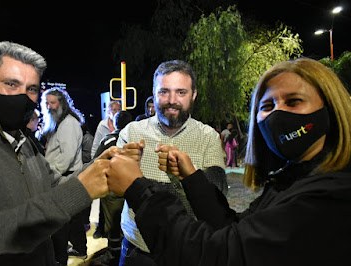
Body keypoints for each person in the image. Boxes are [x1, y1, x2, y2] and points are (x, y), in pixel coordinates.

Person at [106, 58, 351, 266]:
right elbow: (230, 225)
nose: (278, 114)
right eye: (267, 105)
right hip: (138, 248)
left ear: (193, 95)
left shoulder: (331, 195)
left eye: (294, 101)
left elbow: (220, 250)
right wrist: (191, 177)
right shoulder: (289, 180)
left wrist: (139, 187)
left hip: (183, 243)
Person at [0, 41, 110, 266]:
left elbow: (57, 185)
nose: (23, 98)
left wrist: (100, 166)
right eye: (11, 84)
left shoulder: (24, 142)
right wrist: (78, 191)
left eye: (31, 89)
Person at [116, 60, 227, 265]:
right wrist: (123, 169)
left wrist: (188, 175)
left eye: (181, 92)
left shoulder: (208, 136)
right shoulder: (132, 132)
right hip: (138, 250)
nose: (172, 100)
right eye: (164, 92)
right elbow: (111, 192)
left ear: (193, 94)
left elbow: (218, 195)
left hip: (187, 250)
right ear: (154, 92)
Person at [40, 87, 88, 263]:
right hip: (63, 177)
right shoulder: (59, 122)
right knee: (72, 218)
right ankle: (78, 248)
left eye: (53, 102)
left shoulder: (68, 123)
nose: (50, 106)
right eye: (46, 103)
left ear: (62, 103)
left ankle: (63, 255)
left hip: (64, 177)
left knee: (61, 220)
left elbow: (66, 157)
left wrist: (50, 175)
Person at [92, 110, 133, 265]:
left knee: (113, 225)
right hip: (131, 188)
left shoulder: (108, 140)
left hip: (112, 190)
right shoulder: (134, 140)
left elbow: (97, 161)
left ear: (115, 124)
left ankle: (113, 255)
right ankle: (124, 253)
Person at [91, 100, 122, 239]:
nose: (114, 111)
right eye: (112, 109)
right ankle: (100, 228)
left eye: (117, 109)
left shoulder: (124, 127)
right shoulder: (102, 125)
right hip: (104, 166)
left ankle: (114, 232)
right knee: (103, 198)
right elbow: (96, 145)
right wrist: (94, 164)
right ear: (108, 111)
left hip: (118, 170)